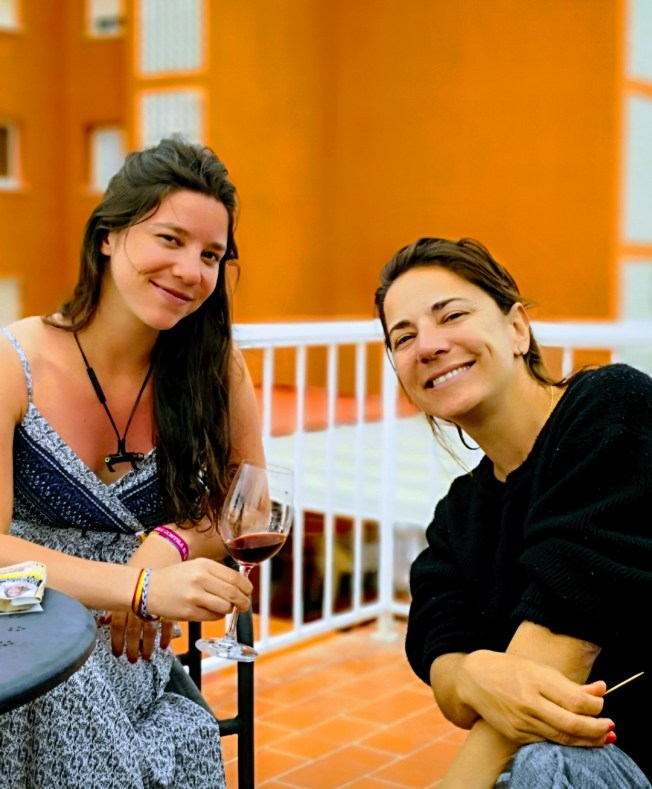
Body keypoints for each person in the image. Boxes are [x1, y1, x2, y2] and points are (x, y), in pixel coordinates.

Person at [0, 136, 265, 788]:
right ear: (108, 237)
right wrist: (138, 588)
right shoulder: (14, 362)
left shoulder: (214, 369)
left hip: (130, 641)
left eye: (210, 255)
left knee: (106, 694)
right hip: (19, 618)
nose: (191, 270)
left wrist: (166, 547)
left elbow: (252, 505)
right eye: (170, 239)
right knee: (60, 683)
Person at [374, 237, 652, 788]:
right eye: (403, 337)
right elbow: (438, 647)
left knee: (543, 765)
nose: (428, 345)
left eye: (452, 315)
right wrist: (468, 672)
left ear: (518, 328)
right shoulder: (457, 516)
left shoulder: (612, 410)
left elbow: (563, 642)